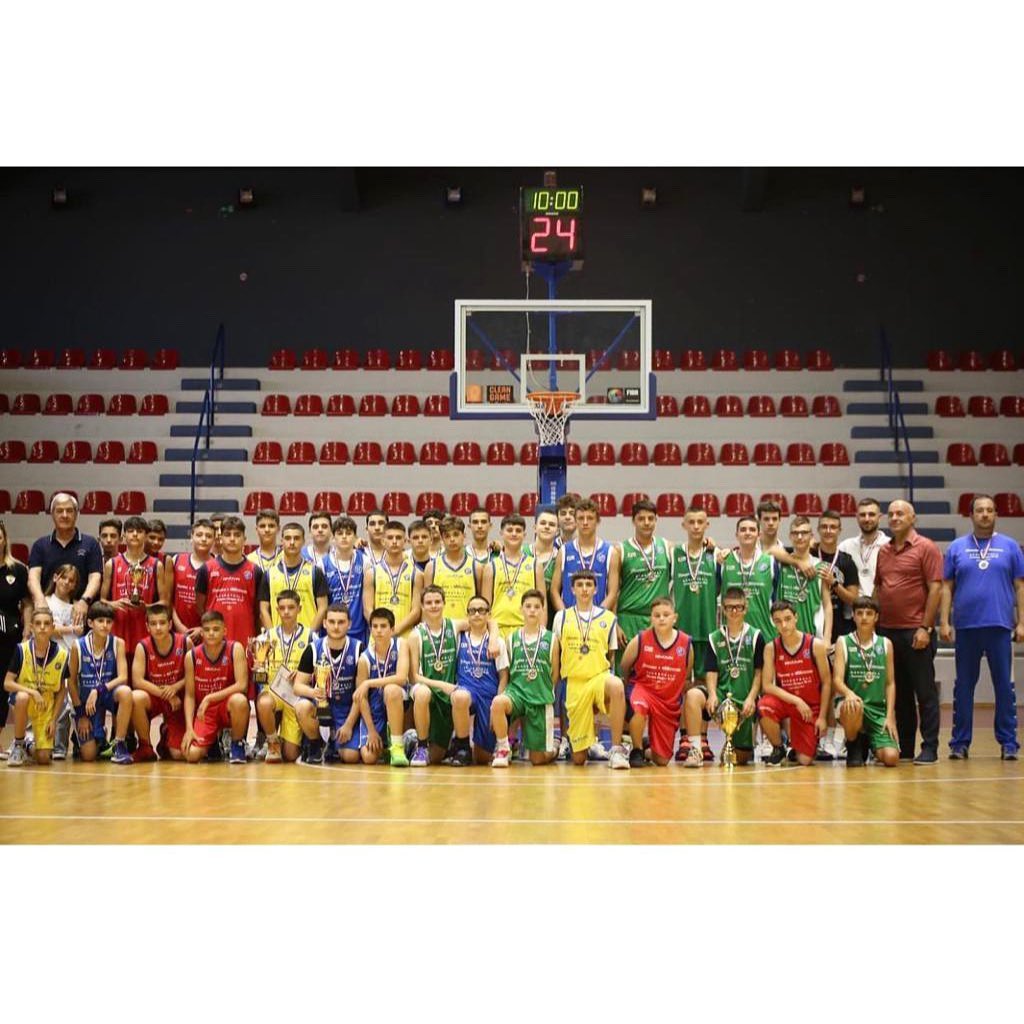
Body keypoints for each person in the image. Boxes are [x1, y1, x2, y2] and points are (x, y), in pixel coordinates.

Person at [940, 494, 1024, 760]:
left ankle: (1009, 743)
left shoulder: (1011, 547)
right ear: (971, 515)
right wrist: (944, 621)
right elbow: (946, 587)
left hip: (1000, 626)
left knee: (1004, 686)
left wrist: (1022, 622)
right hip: (966, 627)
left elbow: (1020, 586)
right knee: (964, 687)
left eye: (989, 510)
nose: (985, 514)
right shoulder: (957, 547)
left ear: (996, 514)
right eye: (980, 510)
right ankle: (960, 743)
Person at [874, 500, 943, 764]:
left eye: (900, 513)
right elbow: (879, 589)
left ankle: (930, 747)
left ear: (913, 518)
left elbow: (935, 589)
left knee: (925, 693)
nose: (894, 518)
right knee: (899, 693)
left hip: (916, 631)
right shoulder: (884, 550)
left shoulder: (926, 547)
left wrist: (925, 627)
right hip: (888, 632)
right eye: (891, 514)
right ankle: (905, 747)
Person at [552, 570, 629, 768]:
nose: (584, 589)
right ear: (572, 589)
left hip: (598, 678)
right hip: (574, 684)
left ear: (595, 589)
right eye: (580, 585)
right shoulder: (561, 617)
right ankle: (586, 742)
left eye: (589, 585)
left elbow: (610, 656)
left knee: (616, 685)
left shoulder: (609, 618)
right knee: (579, 759)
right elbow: (556, 654)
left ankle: (616, 750)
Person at [688, 586, 765, 767]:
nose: (734, 611)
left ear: (745, 608)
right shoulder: (714, 638)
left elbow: (758, 673)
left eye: (738, 607)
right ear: (723, 609)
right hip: (722, 696)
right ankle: (695, 749)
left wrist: (751, 698)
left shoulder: (756, 637)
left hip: (744, 701)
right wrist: (712, 694)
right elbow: (711, 671)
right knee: (693, 695)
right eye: (730, 607)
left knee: (740, 759)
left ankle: (739, 744)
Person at [619, 597, 691, 767]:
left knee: (662, 760)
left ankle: (646, 749)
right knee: (639, 706)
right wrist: (630, 691)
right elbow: (624, 666)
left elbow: (685, 674)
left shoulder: (686, 643)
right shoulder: (640, 639)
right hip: (644, 689)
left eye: (666, 615)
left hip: (667, 700)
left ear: (675, 618)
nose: (661, 618)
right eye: (657, 615)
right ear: (651, 618)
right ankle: (636, 749)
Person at [758, 600, 832, 766]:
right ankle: (779, 747)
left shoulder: (815, 645)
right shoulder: (771, 648)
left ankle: (796, 745)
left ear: (796, 618)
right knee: (764, 706)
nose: (783, 625)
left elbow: (827, 683)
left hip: (810, 708)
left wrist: (822, 717)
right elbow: (767, 685)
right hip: (788, 703)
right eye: (778, 621)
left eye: (787, 619)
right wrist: (797, 700)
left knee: (804, 760)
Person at [491, 589, 560, 767]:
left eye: (537, 607)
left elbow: (555, 674)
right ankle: (503, 748)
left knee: (537, 760)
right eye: (528, 606)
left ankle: (554, 748)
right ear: (521, 609)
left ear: (543, 610)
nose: (532, 610)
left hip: (539, 698)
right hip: (517, 695)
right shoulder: (511, 639)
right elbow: (507, 674)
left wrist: (544, 690)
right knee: (498, 703)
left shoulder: (551, 639)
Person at [292, 603, 367, 764]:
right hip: (320, 707)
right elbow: (297, 686)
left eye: (341, 622)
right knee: (302, 707)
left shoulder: (359, 649)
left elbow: (361, 693)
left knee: (351, 757)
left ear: (349, 624)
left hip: (346, 710)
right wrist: (313, 692)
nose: (336, 627)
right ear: (325, 623)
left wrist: (349, 724)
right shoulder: (313, 649)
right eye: (332, 622)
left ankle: (333, 745)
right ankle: (316, 743)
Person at [832, 596, 899, 768]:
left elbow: (890, 683)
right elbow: (837, 680)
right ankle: (853, 744)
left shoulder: (886, 644)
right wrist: (849, 693)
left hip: (877, 709)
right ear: (853, 616)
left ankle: (870, 742)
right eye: (859, 613)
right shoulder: (843, 641)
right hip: (852, 706)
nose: (864, 617)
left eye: (869, 613)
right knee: (854, 705)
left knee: (891, 758)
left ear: (876, 617)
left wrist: (890, 716)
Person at [443, 596, 508, 766]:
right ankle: (462, 746)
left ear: (488, 614)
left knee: (482, 758)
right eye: (472, 611)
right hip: (467, 691)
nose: (477, 614)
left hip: (488, 696)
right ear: (467, 615)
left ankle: (463, 745)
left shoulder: (498, 642)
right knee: (460, 697)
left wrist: (496, 707)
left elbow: (504, 677)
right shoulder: (458, 638)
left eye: (481, 610)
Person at [67, 602, 134, 764]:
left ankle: (119, 743)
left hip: (107, 694)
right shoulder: (78, 646)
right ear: (90, 623)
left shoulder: (117, 643)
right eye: (100, 621)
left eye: (109, 621)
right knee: (89, 755)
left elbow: (123, 677)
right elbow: (71, 682)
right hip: (87, 703)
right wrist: (81, 714)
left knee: (125, 692)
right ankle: (93, 736)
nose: (105, 625)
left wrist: (98, 689)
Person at [4, 606, 70, 767]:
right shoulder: (21, 649)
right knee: (22, 697)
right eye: (38, 623)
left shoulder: (62, 654)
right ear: (32, 627)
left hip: (45, 704)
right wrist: (33, 692)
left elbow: (62, 690)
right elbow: (7, 683)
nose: (42, 627)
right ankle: (18, 744)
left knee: (44, 758)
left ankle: (28, 745)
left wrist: (54, 720)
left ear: (53, 627)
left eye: (47, 624)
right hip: (24, 700)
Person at [181, 610, 250, 764]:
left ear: (224, 631)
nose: (211, 633)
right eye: (207, 630)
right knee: (191, 755)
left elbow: (242, 685)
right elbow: (189, 695)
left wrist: (210, 697)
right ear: (201, 633)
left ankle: (237, 744)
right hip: (206, 712)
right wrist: (189, 728)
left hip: (228, 706)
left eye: (216, 629)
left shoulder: (235, 649)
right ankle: (212, 743)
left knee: (239, 700)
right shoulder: (191, 656)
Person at [27, 492, 103, 629]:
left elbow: (95, 577)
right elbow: (33, 577)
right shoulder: (40, 545)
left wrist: (84, 601)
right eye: (59, 511)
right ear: (52, 514)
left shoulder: (90, 544)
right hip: (48, 615)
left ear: (76, 514)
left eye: (69, 510)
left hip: (81, 614)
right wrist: (40, 601)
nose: (64, 515)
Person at [256, 589, 314, 763]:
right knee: (264, 702)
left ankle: (292, 741)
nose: (286, 612)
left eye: (291, 607)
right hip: (274, 691)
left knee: (290, 755)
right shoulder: (266, 637)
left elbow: (318, 671)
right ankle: (272, 741)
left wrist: (303, 674)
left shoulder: (311, 636)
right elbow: (258, 678)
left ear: (299, 609)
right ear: (277, 610)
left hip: (295, 695)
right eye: (282, 608)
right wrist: (258, 670)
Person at [130, 603, 190, 761]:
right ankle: (145, 746)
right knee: (136, 697)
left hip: (179, 700)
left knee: (178, 755)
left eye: (162, 623)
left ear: (170, 624)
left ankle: (166, 733)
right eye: (153, 623)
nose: (158, 627)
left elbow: (194, 675)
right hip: (157, 696)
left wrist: (175, 687)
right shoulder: (142, 646)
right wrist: (167, 694)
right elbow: (137, 681)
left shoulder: (185, 642)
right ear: (147, 627)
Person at [101, 514, 167, 657]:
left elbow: (164, 603)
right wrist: (114, 604)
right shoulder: (112, 564)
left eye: (140, 531)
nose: (135, 534)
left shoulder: (157, 565)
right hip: (118, 630)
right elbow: (102, 601)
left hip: (144, 632)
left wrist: (146, 607)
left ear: (146, 536)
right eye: (131, 531)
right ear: (124, 536)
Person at [352, 607, 410, 766]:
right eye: (375, 626)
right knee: (369, 758)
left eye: (383, 626)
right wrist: (371, 731)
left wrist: (368, 683)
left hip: (399, 701)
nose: (379, 630)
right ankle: (387, 745)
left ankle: (397, 746)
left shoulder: (401, 644)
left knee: (391, 689)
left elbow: (401, 678)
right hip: (375, 709)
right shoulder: (364, 659)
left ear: (392, 629)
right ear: (370, 629)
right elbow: (361, 697)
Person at [616, 498, 672, 655]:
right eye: (641, 519)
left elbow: (691, 551)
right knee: (626, 668)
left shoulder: (666, 546)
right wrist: (615, 624)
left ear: (656, 520)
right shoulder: (621, 550)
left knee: (657, 667)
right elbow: (612, 591)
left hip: (657, 619)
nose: (646, 523)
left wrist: (708, 543)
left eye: (650, 518)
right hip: (628, 619)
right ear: (633, 521)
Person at [482, 513, 547, 638]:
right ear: (501, 533)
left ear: (524, 534)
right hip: (498, 629)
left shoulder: (535, 565)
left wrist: (542, 631)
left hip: (527, 628)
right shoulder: (491, 567)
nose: (514, 534)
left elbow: (543, 603)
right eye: (509, 530)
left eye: (518, 530)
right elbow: (485, 606)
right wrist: (489, 634)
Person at [551, 497, 621, 612]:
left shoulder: (610, 552)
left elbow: (613, 593)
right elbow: (554, 591)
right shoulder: (564, 551)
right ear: (575, 520)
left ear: (598, 521)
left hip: (599, 618)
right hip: (570, 618)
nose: (585, 522)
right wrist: (565, 615)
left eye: (590, 518)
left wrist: (598, 615)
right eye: (580, 518)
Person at [258, 521, 328, 632]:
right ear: (281, 541)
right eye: (287, 538)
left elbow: (323, 607)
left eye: (296, 538)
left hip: (307, 638)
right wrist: (272, 635)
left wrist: (309, 635)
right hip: (278, 639)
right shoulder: (269, 574)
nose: (292, 542)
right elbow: (263, 609)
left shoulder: (315, 572)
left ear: (303, 541)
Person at [771, 517, 833, 642]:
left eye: (804, 533)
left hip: (812, 636)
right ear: (790, 536)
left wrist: (827, 637)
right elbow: (769, 550)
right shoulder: (781, 563)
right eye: (795, 533)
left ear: (811, 536)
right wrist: (797, 563)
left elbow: (827, 605)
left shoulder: (821, 566)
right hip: (783, 635)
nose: (799, 537)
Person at [718, 516, 779, 641]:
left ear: (759, 535)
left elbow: (777, 599)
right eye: (743, 530)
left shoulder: (770, 562)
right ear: (736, 535)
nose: (747, 533)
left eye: (752, 529)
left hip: (765, 633)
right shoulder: (724, 561)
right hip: (731, 636)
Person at [44, 563, 83, 759]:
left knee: (67, 703)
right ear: (55, 578)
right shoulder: (46, 602)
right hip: (49, 657)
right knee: (49, 699)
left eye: (71, 580)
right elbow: (49, 630)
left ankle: (61, 746)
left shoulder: (77, 608)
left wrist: (67, 630)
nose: (67, 582)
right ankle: (42, 742)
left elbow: (80, 632)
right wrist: (71, 629)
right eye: (64, 578)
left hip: (70, 658)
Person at [363, 520, 422, 638]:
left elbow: (416, 611)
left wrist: (394, 630)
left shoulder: (417, 574)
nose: (394, 541)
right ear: (383, 541)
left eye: (398, 538)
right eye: (390, 538)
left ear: (405, 541)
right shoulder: (371, 573)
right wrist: (381, 628)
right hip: (378, 637)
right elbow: (367, 609)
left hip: (405, 637)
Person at [0, 520, 31, 734]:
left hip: (9, 637)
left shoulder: (18, 569)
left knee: (3, 687)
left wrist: (27, 630)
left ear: (5, 540)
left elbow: (27, 602)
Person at [811, 509, 860, 642]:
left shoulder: (847, 561)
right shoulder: (809, 555)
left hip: (839, 624)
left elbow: (854, 600)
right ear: (818, 530)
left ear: (839, 530)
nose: (828, 531)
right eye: (824, 527)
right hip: (811, 619)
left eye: (833, 527)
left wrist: (834, 583)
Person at [423, 515, 480, 621]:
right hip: (440, 626)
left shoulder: (476, 566)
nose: (452, 539)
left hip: (468, 626)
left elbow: (482, 603)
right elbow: (426, 604)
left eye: (456, 534)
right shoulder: (431, 567)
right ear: (442, 539)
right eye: (447, 536)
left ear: (464, 536)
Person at [321, 516, 368, 645]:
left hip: (358, 629)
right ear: (333, 537)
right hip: (332, 630)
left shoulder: (365, 561)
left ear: (355, 537)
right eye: (340, 533)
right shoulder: (323, 564)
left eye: (348, 533)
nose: (344, 537)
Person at [169, 518, 215, 644]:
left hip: (208, 634)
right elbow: (169, 599)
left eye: (208, 536)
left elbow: (217, 606)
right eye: (199, 535)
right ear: (191, 537)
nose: (203, 539)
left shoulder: (218, 566)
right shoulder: (176, 560)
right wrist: (179, 626)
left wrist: (203, 628)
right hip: (177, 631)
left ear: (214, 540)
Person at [838, 497, 887, 596]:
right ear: (857, 517)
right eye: (862, 515)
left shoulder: (890, 545)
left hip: (881, 604)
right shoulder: (845, 546)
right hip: (852, 605)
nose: (867, 519)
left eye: (871, 514)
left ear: (879, 517)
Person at [247, 508, 281, 575]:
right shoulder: (249, 560)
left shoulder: (286, 557)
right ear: (257, 529)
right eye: (262, 526)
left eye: (271, 526)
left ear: (278, 529)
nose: (267, 530)